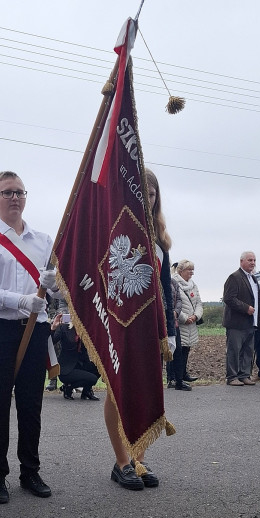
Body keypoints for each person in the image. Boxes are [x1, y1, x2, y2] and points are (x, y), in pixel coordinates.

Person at [0, 170, 56, 504]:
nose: (14, 197)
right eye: (7, 193)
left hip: (35, 329)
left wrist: (53, 285)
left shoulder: (44, 241)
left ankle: (30, 470)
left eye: (19, 191)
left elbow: (58, 291)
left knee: (31, 404)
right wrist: (24, 301)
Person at [104, 168, 176, 490]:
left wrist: (169, 331)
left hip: (150, 328)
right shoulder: (113, 229)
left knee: (146, 390)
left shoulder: (160, 240)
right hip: (119, 324)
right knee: (117, 393)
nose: (146, 199)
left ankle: (139, 458)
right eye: (140, 192)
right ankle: (121, 462)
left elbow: (165, 291)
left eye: (151, 194)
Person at [222, 251, 260, 386]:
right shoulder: (234, 277)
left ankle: (244, 375)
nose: (253, 263)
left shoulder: (253, 278)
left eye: (254, 260)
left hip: (251, 322)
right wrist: (246, 308)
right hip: (236, 322)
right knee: (234, 350)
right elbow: (228, 298)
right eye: (250, 260)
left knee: (248, 351)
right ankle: (232, 377)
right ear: (241, 261)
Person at [51, 313, 100, 400]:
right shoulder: (64, 328)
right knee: (93, 379)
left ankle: (86, 391)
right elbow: (51, 342)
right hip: (66, 369)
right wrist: (54, 328)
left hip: (81, 365)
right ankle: (68, 388)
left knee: (100, 368)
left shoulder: (86, 330)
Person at [171, 259, 203, 383]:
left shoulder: (193, 285)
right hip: (180, 323)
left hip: (191, 324)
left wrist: (196, 316)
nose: (192, 272)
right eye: (189, 269)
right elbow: (175, 303)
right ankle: (174, 377)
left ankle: (183, 374)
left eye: (192, 270)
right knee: (177, 351)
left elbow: (199, 303)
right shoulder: (174, 283)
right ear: (180, 271)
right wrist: (185, 318)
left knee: (186, 350)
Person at [166, 270, 191, 391]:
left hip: (173, 322)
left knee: (177, 351)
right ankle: (169, 379)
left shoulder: (173, 282)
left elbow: (179, 300)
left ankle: (179, 381)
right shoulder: (153, 282)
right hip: (159, 322)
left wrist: (175, 311)